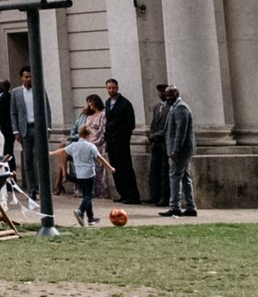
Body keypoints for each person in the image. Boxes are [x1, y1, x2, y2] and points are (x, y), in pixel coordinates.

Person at [58, 126, 113, 225]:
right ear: (88, 135)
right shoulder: (90, 146)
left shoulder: (75, 145)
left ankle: (90, 217)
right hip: (88, 173)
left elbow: (62, 150)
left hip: (79, 174)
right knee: (89, 195)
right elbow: (100, 158)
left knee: (86, 194)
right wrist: (110, 167)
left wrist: (51, 152)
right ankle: (80, 211)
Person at [158, 85, 197, 217]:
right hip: (179, 150)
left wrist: (176, 150)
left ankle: (175, 207)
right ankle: (191, 207)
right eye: (166, 95)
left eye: (170, 95)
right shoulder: (175, 106)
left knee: (174, 176)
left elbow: (181, 131)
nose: (168, 98)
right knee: (185, 177)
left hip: (180, 151)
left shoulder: (180, 107)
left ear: (177, 94)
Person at [104, 78, 141, 206]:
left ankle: (132, 195)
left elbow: (130, 124)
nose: (111, 90)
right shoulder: (108, 103)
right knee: (115, 169)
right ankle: (122, 193)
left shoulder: (125, 103)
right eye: (109, 88)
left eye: (113, 88)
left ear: (117, 88)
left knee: (125, 169)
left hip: (121, 142)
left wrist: (123, 137)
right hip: (111, 142)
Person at [147, 84, 172, 209]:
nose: (161, 94)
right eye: (160, 92)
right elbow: (153, 123)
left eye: (163, 92)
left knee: (164, 171)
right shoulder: (157, 107)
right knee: (154, 170)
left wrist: (155, 135)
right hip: (156, 144)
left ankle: (164, 197)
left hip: (165, 143)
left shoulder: (171, 107)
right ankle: (154, 195)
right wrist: (151, 135)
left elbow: (168, 128)